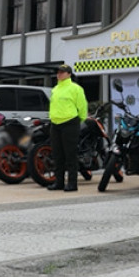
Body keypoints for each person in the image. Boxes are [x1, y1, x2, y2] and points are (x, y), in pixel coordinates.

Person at [47, 63, 88, 192]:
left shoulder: (76, 88)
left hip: (70, 123)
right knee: (57, 154)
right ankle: (58, 182)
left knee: (70, 154)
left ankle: (72, 183)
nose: (59, 74)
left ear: (69, 74)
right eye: (58, 72)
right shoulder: (55, 89)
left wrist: (78, 120)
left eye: (62, 72)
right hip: (55, 124)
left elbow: (82, 107)